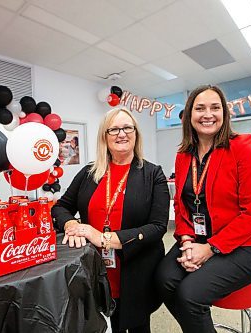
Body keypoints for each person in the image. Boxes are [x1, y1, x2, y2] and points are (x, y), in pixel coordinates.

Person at [155, 85, 251, 333]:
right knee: (162, 281)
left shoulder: (242, 148)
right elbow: (181, 204)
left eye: (215, 107)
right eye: (199, 108)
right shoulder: (183, 154)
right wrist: (187, 240)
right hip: (198, 238)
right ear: (189, 115)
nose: (207, 114)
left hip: (249, 245)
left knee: (190, 294)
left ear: (224, 113)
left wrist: (209, 249)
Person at [52, 107, 169, 333]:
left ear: (136, 133)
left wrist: (103, 238)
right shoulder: (89, 173)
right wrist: (71, 224)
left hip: (136, 270)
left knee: (138, 325)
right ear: (104, 136)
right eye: (113, 129)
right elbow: (62, 207)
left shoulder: (153, 174)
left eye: (127, 127)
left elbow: (158, 227)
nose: (121, 134)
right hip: (95, 269)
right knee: (100, 325)